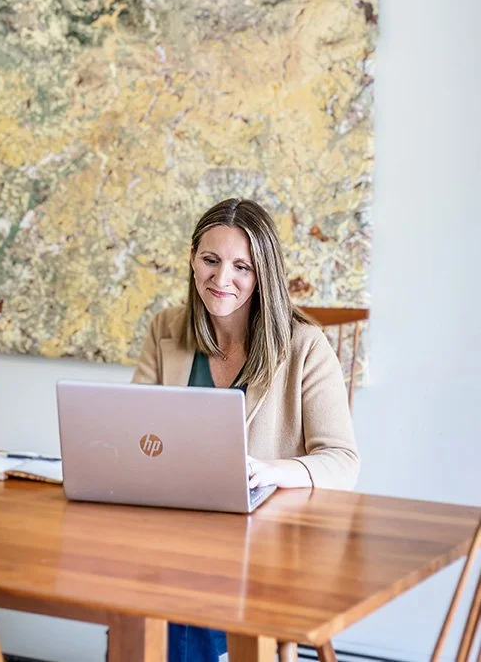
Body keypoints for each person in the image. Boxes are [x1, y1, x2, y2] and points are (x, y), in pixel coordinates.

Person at [132, 197, 360, 662]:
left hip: (264, 547)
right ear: (193, 259)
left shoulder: (305, 346)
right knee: (127, 583)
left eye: (242, 267)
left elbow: (342, 460)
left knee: (180, 598)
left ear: (263, 275)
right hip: (174, 531)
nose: (221, 279)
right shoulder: (166, 329)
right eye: (210, 260)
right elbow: (133, 426)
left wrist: (266, 471)